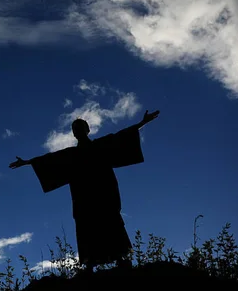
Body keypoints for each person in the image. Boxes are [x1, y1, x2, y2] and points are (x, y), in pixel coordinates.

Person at [9, 110, 160, 274]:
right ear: (74, 134)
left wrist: (142, 123)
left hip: (104, 196)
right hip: (84, 200)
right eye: (75, 129)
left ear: (87, 129)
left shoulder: (100, 146)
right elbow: (50, 159)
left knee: (110, 223)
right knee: (87, 228)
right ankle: (90, 264)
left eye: (80, 127)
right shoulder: (71, 155)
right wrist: (27, 162)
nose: (78, 131)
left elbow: (121, 136)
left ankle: (121, 259)